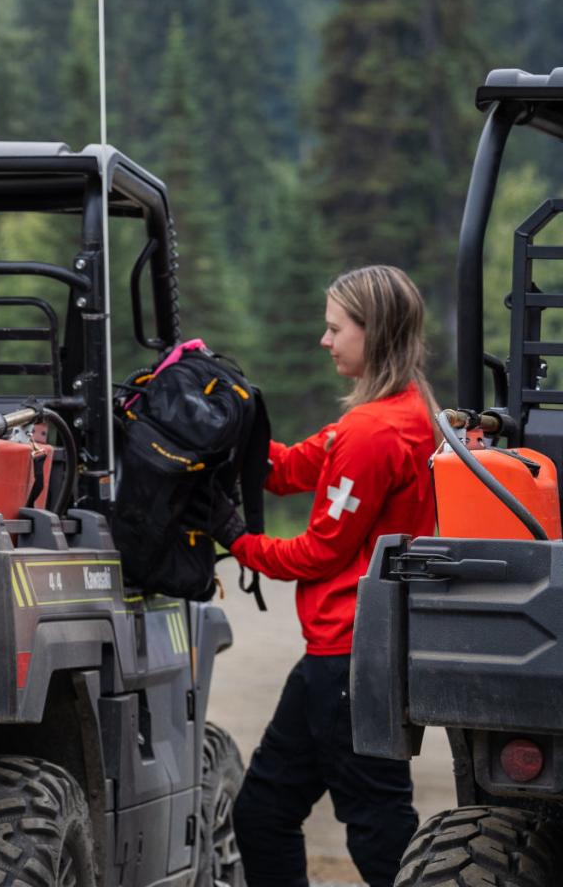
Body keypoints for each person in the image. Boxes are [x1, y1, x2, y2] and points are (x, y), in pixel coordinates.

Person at [194, 264, 437, 887]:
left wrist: (237, 540)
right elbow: (285, 469)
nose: (324, 341)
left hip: (350, 660)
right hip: (345, 656)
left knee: (379, 830)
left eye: (335, 328)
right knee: (264, 813)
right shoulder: (400, 411)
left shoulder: (373, 433)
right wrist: (226, 419)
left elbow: (317, 553)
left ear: (373, 332)